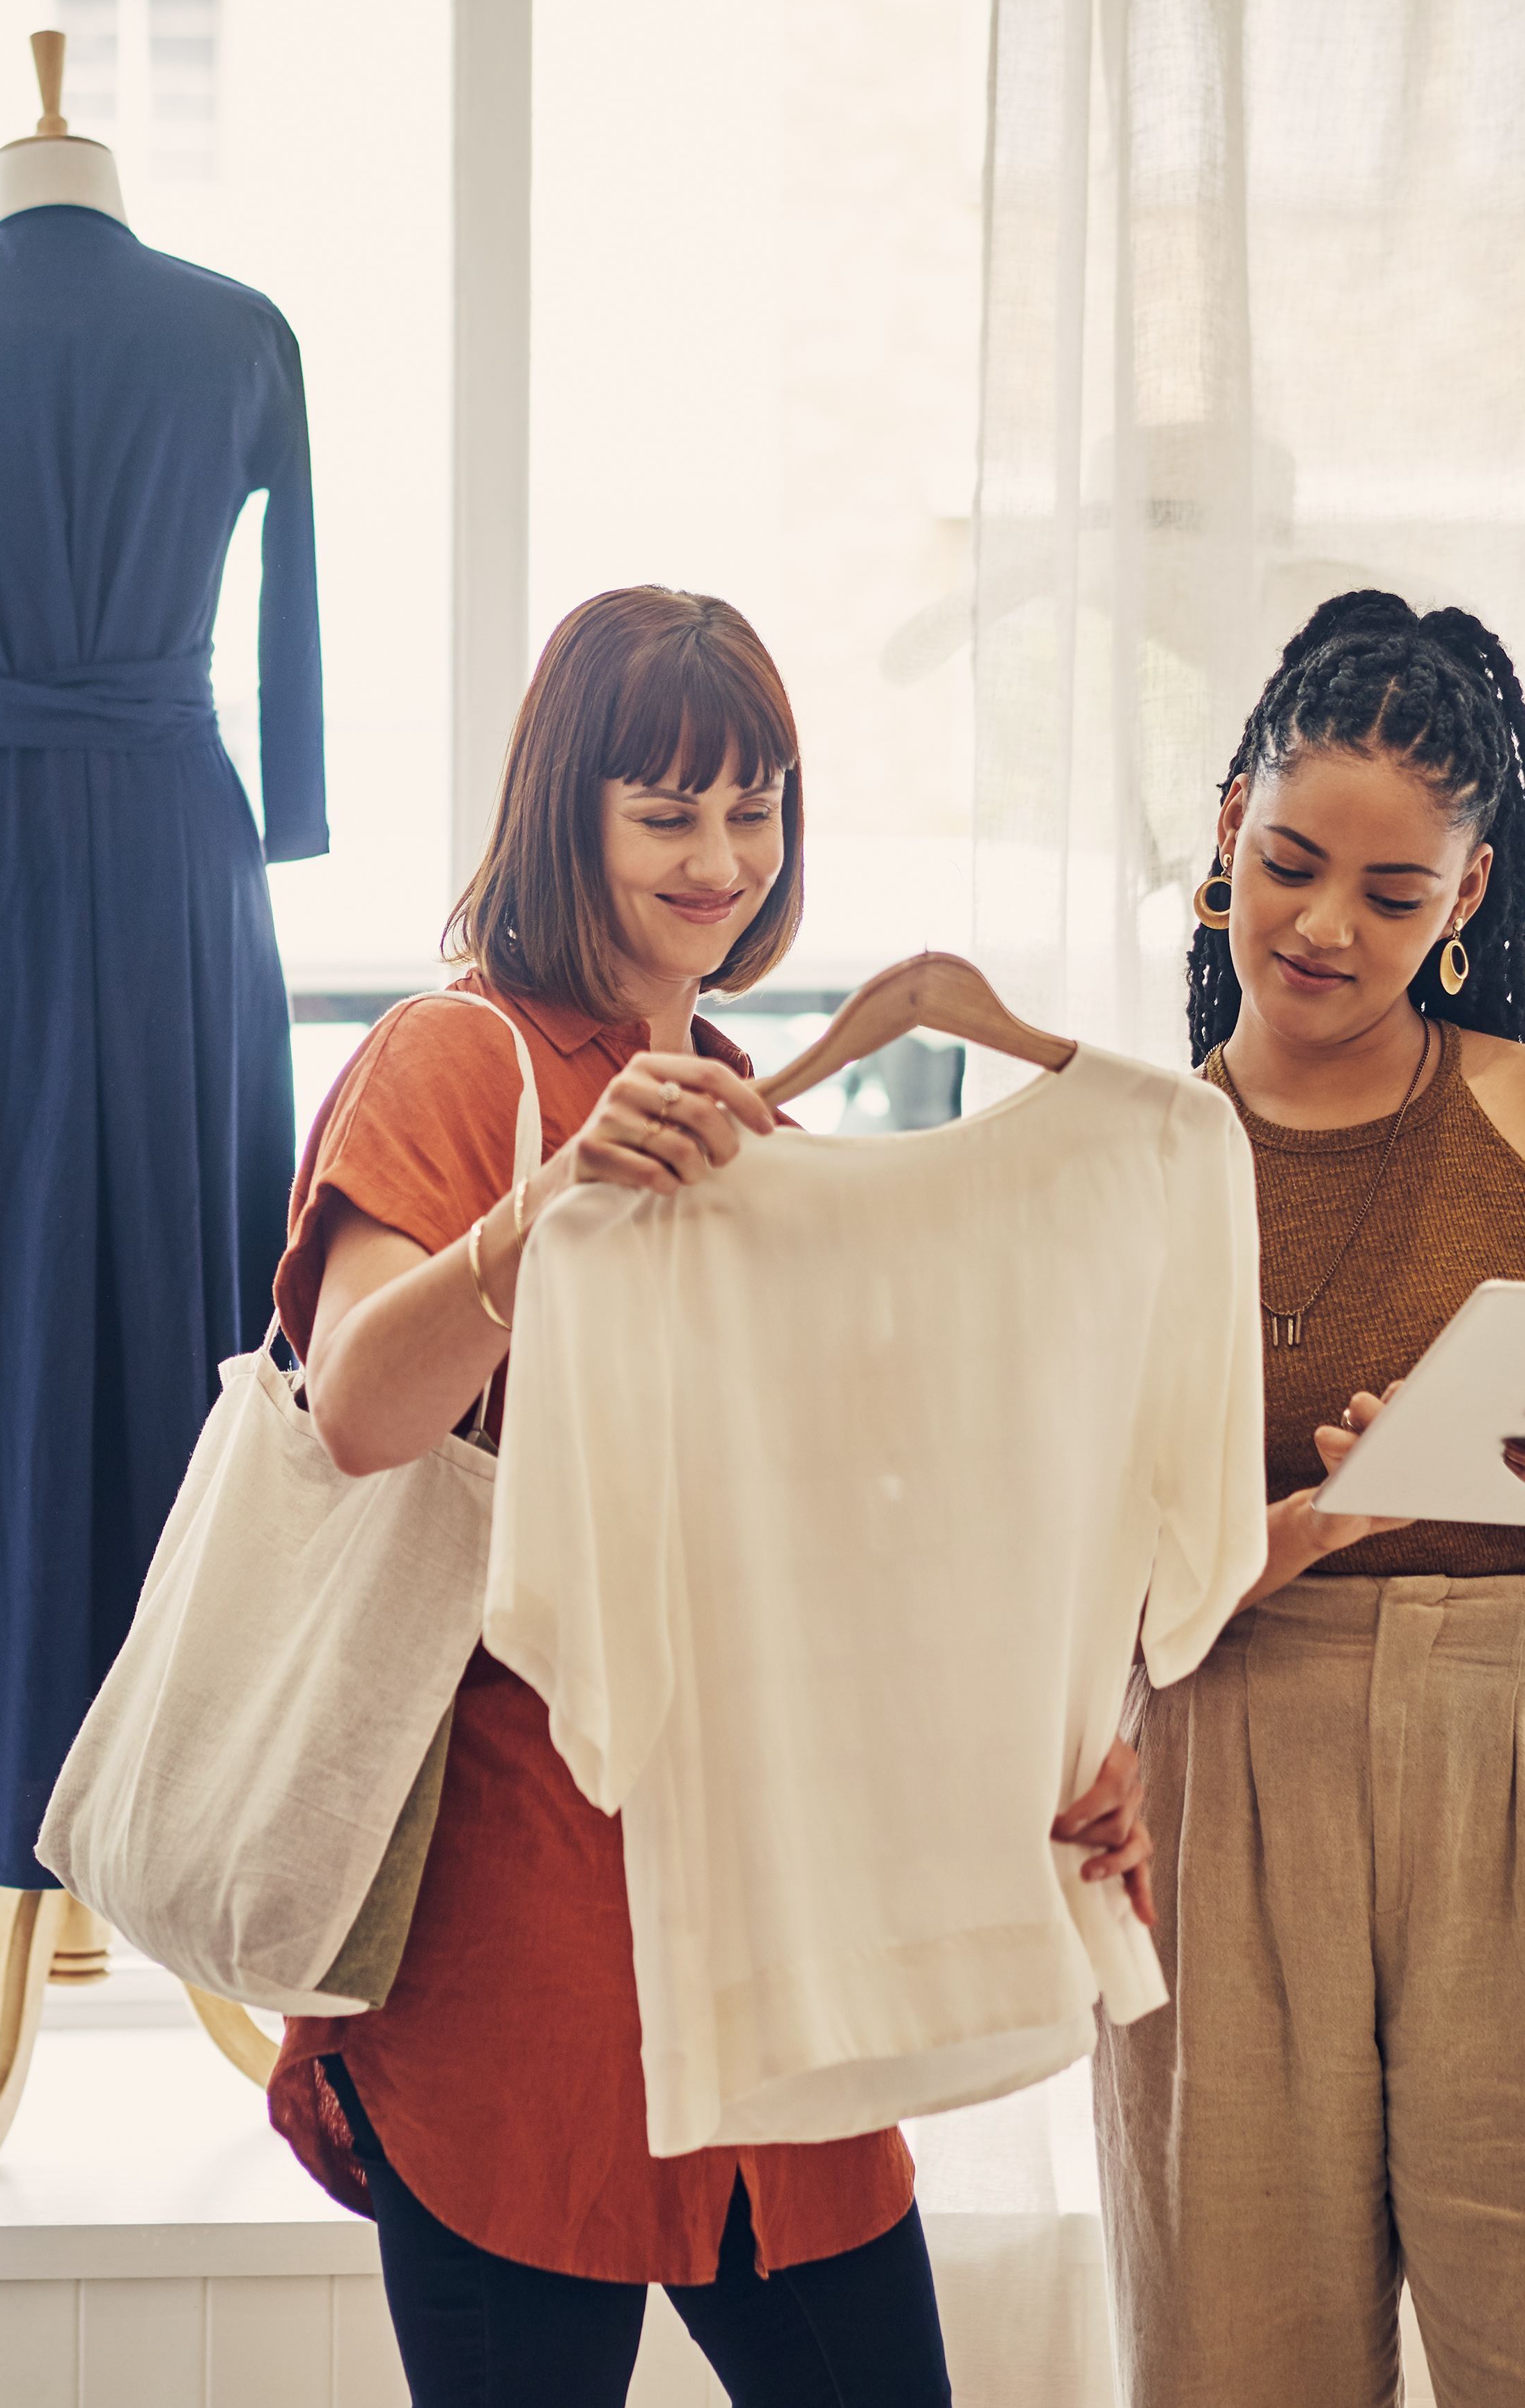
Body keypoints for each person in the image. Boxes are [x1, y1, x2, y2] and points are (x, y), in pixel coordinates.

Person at [268, 585, 1151, 2407]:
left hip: (769, 1930)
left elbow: (839, 1576)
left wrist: (1052, 1768)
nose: (719, 856)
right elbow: (352, 1413)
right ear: (562, 813)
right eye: (665, 809)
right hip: (517, 1947)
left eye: (751, 807)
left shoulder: (749, 1111)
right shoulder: (462, 1060)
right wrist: (548, 1205)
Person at [1097, 590, 1525, 2407]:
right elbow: (1097, 1599)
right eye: (1292, 864)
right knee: (1237, 2346)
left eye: (1390, 894)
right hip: (1217, 1763)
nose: (1324, 928)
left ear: (1466, 900)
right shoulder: (1128, 1162)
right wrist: (1323, 1521)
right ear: (1225, 833)